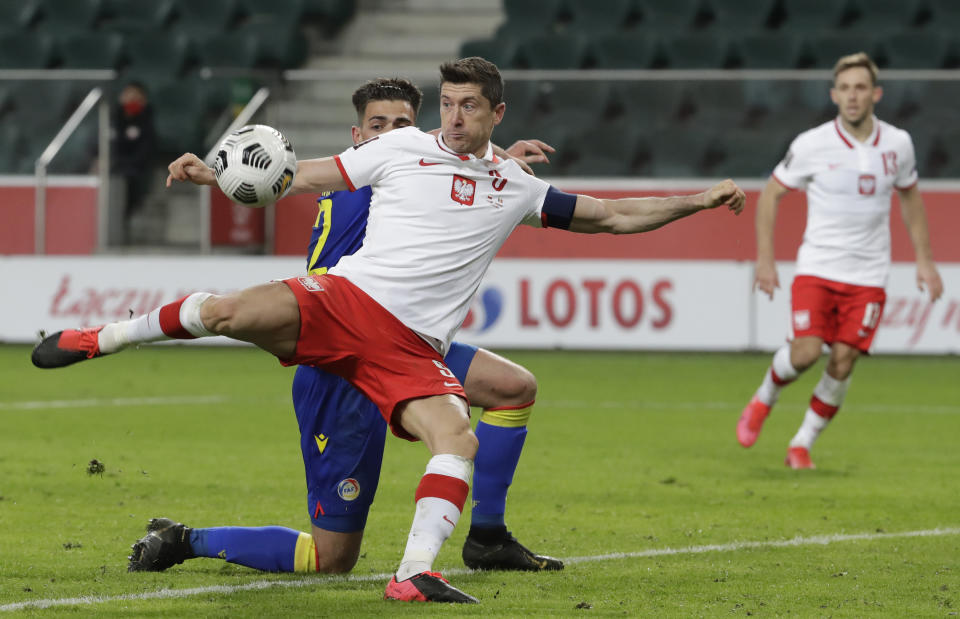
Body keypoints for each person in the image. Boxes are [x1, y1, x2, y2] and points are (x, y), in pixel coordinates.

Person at [33, 56, 745, 603]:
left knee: (449, 442)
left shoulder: (515, 185)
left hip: (411, 345)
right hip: (345, 303)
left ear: (496, 112)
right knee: (224, 311)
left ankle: (415, 571)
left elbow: (614, 215)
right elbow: (300, 173)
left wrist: (698, 200)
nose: (454, 116)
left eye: (469, 106)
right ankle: (101, 337)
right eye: (448, 104)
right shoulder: (399, 152)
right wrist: (216, 174)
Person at [122, 78, 563, 578]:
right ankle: (184, 539)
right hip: (339, 362)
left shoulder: (409, 171)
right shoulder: (366, 178)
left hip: (401, 341)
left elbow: (453, 160)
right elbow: (278, 174)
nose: (389, 134)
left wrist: (496, 156)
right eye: (378, 125)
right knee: (332, 560)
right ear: (357, 136)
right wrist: (212, 173)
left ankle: (487, 536)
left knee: (512, 388)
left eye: (401, 125)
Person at [736, 52, 943, 469]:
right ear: (834, 95)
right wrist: (765, 260)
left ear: (876, 94)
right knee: (806, 353)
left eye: (861, 88)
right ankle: (764, 398)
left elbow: (910, 197)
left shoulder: (898, 144)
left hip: (869, 274)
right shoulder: (812, 144)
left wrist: (925, 259)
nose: (852, 96)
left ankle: (801, 444)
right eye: (845, 88)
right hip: (818, 267)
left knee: (844, 359)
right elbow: (771, 195)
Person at [112, 81, 157, 243]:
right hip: (115, 168)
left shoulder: (147, 122)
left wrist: (125, 165)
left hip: (135, 170)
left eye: (135, 96)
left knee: (129, 179)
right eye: (127, 95)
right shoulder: (113, 119)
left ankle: (123, 227)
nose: (130, 99)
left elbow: (145, 152)